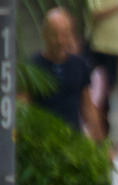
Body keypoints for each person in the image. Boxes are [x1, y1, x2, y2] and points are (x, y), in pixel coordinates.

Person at [28, 9, 103, 142]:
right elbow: (23, 106)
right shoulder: (32, 67)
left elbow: (88, 108)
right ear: (44, 34)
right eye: (54, 35)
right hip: (41, 141)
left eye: (64, 34)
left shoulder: (79, 65)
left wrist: (100, 142)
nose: (60, 40)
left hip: (72, 141)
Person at [86, 0, 118, 136]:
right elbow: (94, 14)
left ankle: (103, 132)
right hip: (98, 46)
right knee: (97, 95)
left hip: (116, 48)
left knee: (107, 94)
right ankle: (97, 131)